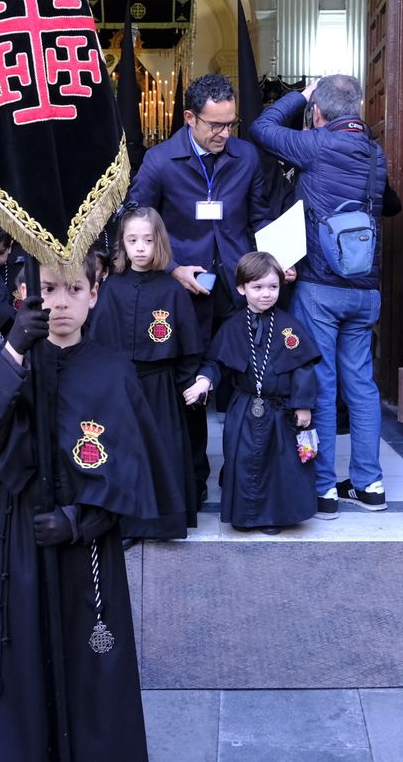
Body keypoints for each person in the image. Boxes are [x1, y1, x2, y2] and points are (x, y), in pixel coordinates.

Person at [0, 259, 158, 762]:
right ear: (26, 295)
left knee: (91, 662)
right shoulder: (5, 359)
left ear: (95, 293)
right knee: (22, 655)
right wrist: (15, 348)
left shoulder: (112, 370)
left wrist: (78, 521)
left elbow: (131, 470)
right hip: (21, 538)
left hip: (85, 542)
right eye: (49, 289)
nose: (61, 302)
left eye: (74, 288)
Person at [129, 74, 274, 508]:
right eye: (215, 125)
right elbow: (135, 220)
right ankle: (192, 481)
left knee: (246, 383)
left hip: (235, 287)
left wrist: (275, 261)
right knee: (190, 385)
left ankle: (244, 476)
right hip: (182, 292)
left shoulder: (246, 157)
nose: (224, 134)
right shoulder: (160, 161)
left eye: (231, 123)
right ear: (190, 118)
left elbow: (260, 217)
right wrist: (171, 268)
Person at [248, 74, 388, 520]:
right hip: (365, 288)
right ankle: (369, 484)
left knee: (323, 384)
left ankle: (324, 487)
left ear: (318, 113)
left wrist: (300, 96)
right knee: (362, 386)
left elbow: (261, 127)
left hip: (321, 288)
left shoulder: (315, 145)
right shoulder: (376, 154)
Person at [184, 252, 321, 534]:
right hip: (244, 409)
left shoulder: (289, 327)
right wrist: (203, 381)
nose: (266, 294)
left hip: (280, 410)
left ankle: (272, 517)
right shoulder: (233, 327)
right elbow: (216, 362)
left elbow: (303, 368)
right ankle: (244, 516)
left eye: (273, 287)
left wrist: (303, 405)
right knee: (243, 461)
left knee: (277, 464)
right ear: (241, 288)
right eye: (257, 287)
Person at [88, 207, 202, 538]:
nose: (140, 248)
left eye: (148, 240)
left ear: (159, 243)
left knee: (162, 452)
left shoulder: (172, 290)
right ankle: (126, 525)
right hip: (122, 387)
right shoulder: (111, 288)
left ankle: (161, 523)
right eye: (133, 240)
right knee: (123, 453)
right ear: (122, 244)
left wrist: (186, 385)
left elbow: (188, 346)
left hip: (160, 386)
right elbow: (97, 343)